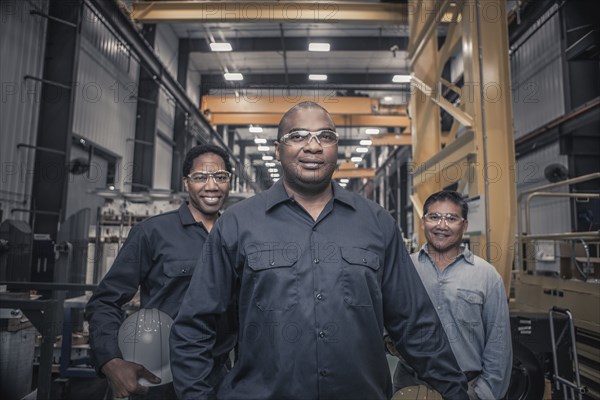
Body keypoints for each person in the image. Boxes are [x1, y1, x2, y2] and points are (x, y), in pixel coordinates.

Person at [170, 101, 469, 400]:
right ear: (277, 150)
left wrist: (456, 391)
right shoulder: (237, 224)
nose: (313, 146)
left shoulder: (377, 224)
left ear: (336, 149)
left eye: (325, 136)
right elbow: (194, 327)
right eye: (298, 136)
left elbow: (415, 323)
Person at [85, 144, 237, 399]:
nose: (211, 186)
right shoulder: (152, 232)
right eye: (200, 177)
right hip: (161, 376)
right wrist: (110, 360)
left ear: (228, 182)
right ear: (186, 183)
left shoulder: (237, 236)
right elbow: (105, 301)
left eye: (220, 177)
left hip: (219, 376)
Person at [392, 190, 512, 399]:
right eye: (434, 217)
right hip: (409, 385)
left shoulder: (486, 276)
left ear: (464, 226)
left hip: (467, 389)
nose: (442, 225)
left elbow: (498, 344)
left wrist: (483, 394)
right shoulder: (403, 269)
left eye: (451, 218)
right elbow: (385, 318)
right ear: (423, 222)